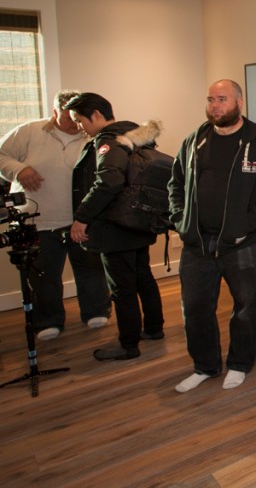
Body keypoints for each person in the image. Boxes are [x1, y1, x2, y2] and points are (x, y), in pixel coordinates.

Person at [168, 79, 256, 393]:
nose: (215, 106)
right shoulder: (195, 140)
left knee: (245, 306)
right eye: (210, 99)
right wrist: (180, 219)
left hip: (242, 243)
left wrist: (246, 224)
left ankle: (239, 364)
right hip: (197, 242)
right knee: (195, 307)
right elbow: (175, 183)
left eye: (222, 99)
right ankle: (204, 366)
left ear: (239, 103)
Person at [0, 90, 111, 341]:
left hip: (81, 218)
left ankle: (96, 310)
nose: (74, 123)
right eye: (67, 117)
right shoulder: (29, 132)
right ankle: (48, 320)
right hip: (39, 219)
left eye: (77, 117)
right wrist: (18, 170)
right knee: (44, 274)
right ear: (54, 112)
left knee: (90, 268)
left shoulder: (91, 136)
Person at [65, 92, 165, 361]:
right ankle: (154, 328)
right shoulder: (134, 135)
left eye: (80, 120)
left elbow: (109, 182)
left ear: (96, 115)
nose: (78, 126)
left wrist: (82, 217)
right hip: (138, 221)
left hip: (115, 226)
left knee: (122, 287)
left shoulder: (108, 141)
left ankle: (128, 344)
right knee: (143, 277)